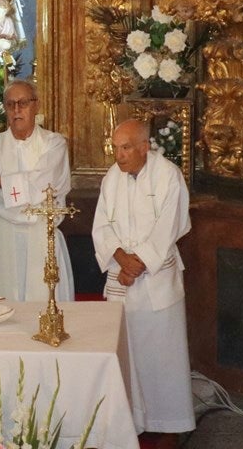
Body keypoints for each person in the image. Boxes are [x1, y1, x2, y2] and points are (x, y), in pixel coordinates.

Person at [92, 118, 194, 436]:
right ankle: (129, 423)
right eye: (115, 148)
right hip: (121, 279)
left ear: (143, 147)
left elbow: (169, 226)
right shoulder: (112, 178)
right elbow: (102, 226)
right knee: (125, 355)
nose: (118, 155)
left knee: (161, 359)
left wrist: (138, 264)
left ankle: (166, 426)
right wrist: (121, 259)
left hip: (156, 281)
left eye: (125, 148)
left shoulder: (168, 177)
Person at [0, 80, 74, 301]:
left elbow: (46, 183)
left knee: (46, 307)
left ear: (36, 105)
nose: (17, 110)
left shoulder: (54, 144)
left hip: (43, 238)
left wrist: (0, 181)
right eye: (10, 104)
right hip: (4, 239)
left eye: (23, 103)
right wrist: (32, 199)